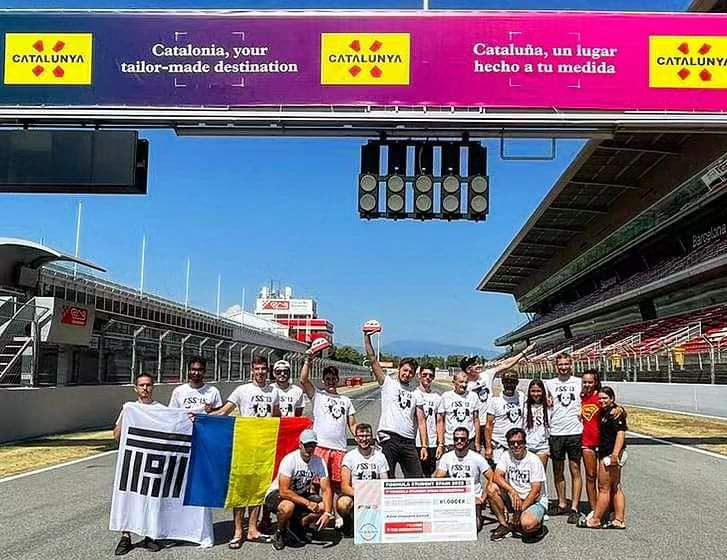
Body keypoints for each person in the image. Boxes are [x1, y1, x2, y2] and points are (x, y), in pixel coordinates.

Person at [212, 356, 280, 548]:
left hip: (264, 448)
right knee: (241, 490)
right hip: (244, 446)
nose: (260, 372)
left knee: (258, 489)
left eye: (263, 369)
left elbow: (277, 417)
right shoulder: (242, 390)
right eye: (257, 369)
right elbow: (224, 412)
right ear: (252, 370)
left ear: (268, 371)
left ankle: (252, 529)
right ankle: (237, 531)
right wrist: (202, 418)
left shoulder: (273, 391)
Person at [364, 324, 428, 478]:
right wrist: (366, 337)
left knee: (416, 479)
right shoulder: (388, 383)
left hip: (408, 441)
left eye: (411, 372)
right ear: (399, 369)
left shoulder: (416, 394)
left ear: (414, 375)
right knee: (386, 479)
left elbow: (421, 422)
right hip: (389, 438)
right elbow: (372, 360)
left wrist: (424, 445)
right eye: (405, 370)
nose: (407, 374)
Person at [113, 373, 166, 556]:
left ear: (153, 387)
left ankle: (150, 535)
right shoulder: (130, 408)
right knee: (127, 496)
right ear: (135, 388)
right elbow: (116, 436)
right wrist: (125, 418)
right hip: (133, 460)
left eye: (148, 385)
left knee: (152, 498)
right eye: (141, 385)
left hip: (153, 462)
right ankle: (125, 536)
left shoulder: (161, 410)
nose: (145, 388)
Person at [300, 353, 357, 497]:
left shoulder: (346, 400)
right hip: (320, 447)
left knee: (338, 486)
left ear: (338, 380)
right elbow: (303, 380)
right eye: (327, 379)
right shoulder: (317, 395)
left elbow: (352, 424)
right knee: (316, 484)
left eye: (333, 379)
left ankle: (336, 511)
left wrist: (362, 438)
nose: (330, 382)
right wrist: (308, 361)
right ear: (323, 380)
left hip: (339, 449)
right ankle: (317, 509)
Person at [266, 429, 333, 550]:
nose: (309, 449)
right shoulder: (290, 460)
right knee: (287, 506)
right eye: (307, 445)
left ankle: (299, 524)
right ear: (300, 445)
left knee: (324, 506)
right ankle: (280, 532)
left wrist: (327, 513)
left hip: (300, 495)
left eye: (312, 446)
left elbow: (326, 489)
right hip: (277, 494)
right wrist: (307, 503)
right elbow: (284, 491)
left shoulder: (319, 462)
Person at [463, 343, 534, 451]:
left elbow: (506, 364)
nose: (478, 365)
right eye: (474, 364)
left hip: (490, 422)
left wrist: (524, 352)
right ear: (468, 369)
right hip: (474, 424)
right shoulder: (464, 386)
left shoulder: (486, 375)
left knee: (490, 450)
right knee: (474, 453)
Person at [487, 428, 548, 542]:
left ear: (525, 443)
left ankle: (538, 527)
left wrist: (518, 512)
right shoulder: (506, 455)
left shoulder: (534, 460)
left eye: (519, 442)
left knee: (527, 524)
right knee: (491, 488)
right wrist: (512, 491)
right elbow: (496, 476)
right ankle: (504, 525)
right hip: (515, 498)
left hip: (534, 501)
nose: (516, 445)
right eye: (512, 443)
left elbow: (536, 492)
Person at [579, 386, 628, 530]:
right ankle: (618, 520)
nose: (602, 401)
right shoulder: (604, 412)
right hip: (607, 452)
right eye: (600, 398)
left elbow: (620, 433)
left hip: (611, 454)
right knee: (615, 486)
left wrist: (615, 454)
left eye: (605, 398)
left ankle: (596, 519)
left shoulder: (615, 413)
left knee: (604, 488)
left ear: (612, 398)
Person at [544, 353, 583, 524]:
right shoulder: (549, 384)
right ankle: (561, 503)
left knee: (575, 469)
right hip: (556, 432)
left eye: (566, 364)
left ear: (571, 364)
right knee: (558, 470)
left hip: (575, 431)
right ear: (556, 366)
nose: (563, 367)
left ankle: (574, 507)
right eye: (560, 364)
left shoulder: (579, 382)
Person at [336, 423, 390, 537]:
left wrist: (376, 495)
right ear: (355, 438)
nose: (364, 439)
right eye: (361, 436)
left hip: (375, 495)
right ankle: (348, 522)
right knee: (342, 503)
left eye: (367, 436)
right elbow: (344, 487)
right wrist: (363, 495)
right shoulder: (349, 457)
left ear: (371, 437)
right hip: (355, 495)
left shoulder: (380, 456)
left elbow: (385, 482)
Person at [434, 427, 491, 532]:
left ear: (467, 441)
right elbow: (438, 480)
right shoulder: (446, 457)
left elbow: (492, 478)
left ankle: (476, 513)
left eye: (462, 439)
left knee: (473, 527)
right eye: (456, 439)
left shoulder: (477, 458)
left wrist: (483, 498)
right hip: (454, 497)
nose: (459, 441)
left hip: (473, 498)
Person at [485, 370, 526, 468]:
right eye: (506, 382)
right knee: (497, 474)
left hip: (516, 445)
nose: (509, 385)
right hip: (499, 444)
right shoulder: (495, 400)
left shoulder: (522, 397)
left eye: (512, 382)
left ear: (517, 383)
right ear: (502, 382)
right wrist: (488, 447)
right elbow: (488, 425)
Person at [436, 371, 480, 455]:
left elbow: (476, 420)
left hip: (469, 440)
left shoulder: (473, 396)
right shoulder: (446, 396)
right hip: (451, 441)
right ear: (454, 382)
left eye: (466, 382)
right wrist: (441, 443)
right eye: (461, 382)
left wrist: (477, 442)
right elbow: (440, 421)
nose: (464, 385)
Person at [580, 369, 602, 515]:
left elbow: (614, 409)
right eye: (585, 382)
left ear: (595, 383)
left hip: (603, 442)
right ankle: (593, 509)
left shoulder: (600, 397)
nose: (587, 385)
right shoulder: (580, 398)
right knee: (590, 476)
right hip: (587, 442)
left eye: (590, 382)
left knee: (604, 480)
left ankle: (607, 507)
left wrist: (620, 410)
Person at [413, 364, 442, 477]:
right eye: (424, 374)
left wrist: (440, 444)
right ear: (419, 376)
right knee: (415, 476)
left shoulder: (437, 397)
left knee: (429, 474)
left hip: (432, 442)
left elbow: (439, 422)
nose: (427, 377)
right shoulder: (413, 394)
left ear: (433, 377)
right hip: (415, 441)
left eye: (430, 375)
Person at [524, 379, 550, 468]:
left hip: (542, 447)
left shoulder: (548, 406)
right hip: (527, 446)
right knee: (528, 474)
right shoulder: (524, 406)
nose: (536, 394)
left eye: (538, 391)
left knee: (540, 474)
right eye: (533, 391)